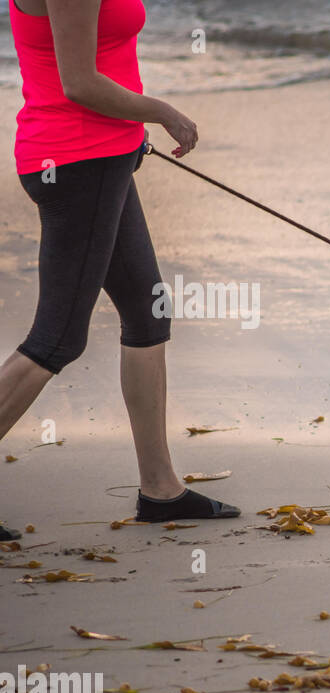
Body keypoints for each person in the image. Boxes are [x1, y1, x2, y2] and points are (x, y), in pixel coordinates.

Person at [0, 0, 239, 541]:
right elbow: (79, 83)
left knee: (147, 312)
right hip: (73, 159)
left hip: (101, 154)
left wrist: (132, 135)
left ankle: (160, 490)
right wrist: (162, 110)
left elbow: (101, 60)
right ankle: (159, 488)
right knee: (57, 337)